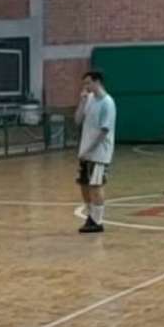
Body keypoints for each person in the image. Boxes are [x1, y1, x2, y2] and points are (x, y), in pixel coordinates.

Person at [74, 71, 117, 234]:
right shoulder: (89, 99)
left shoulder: (108, 103)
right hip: (85, 152)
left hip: (99, 153)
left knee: (96, 186)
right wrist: (82, 102)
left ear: (97, 82)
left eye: (88, 83)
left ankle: (98, 221)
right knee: (84, 184)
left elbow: (104, 131)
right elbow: (78, 120)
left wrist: (89, 149)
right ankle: (91, 216)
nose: (86, 87)